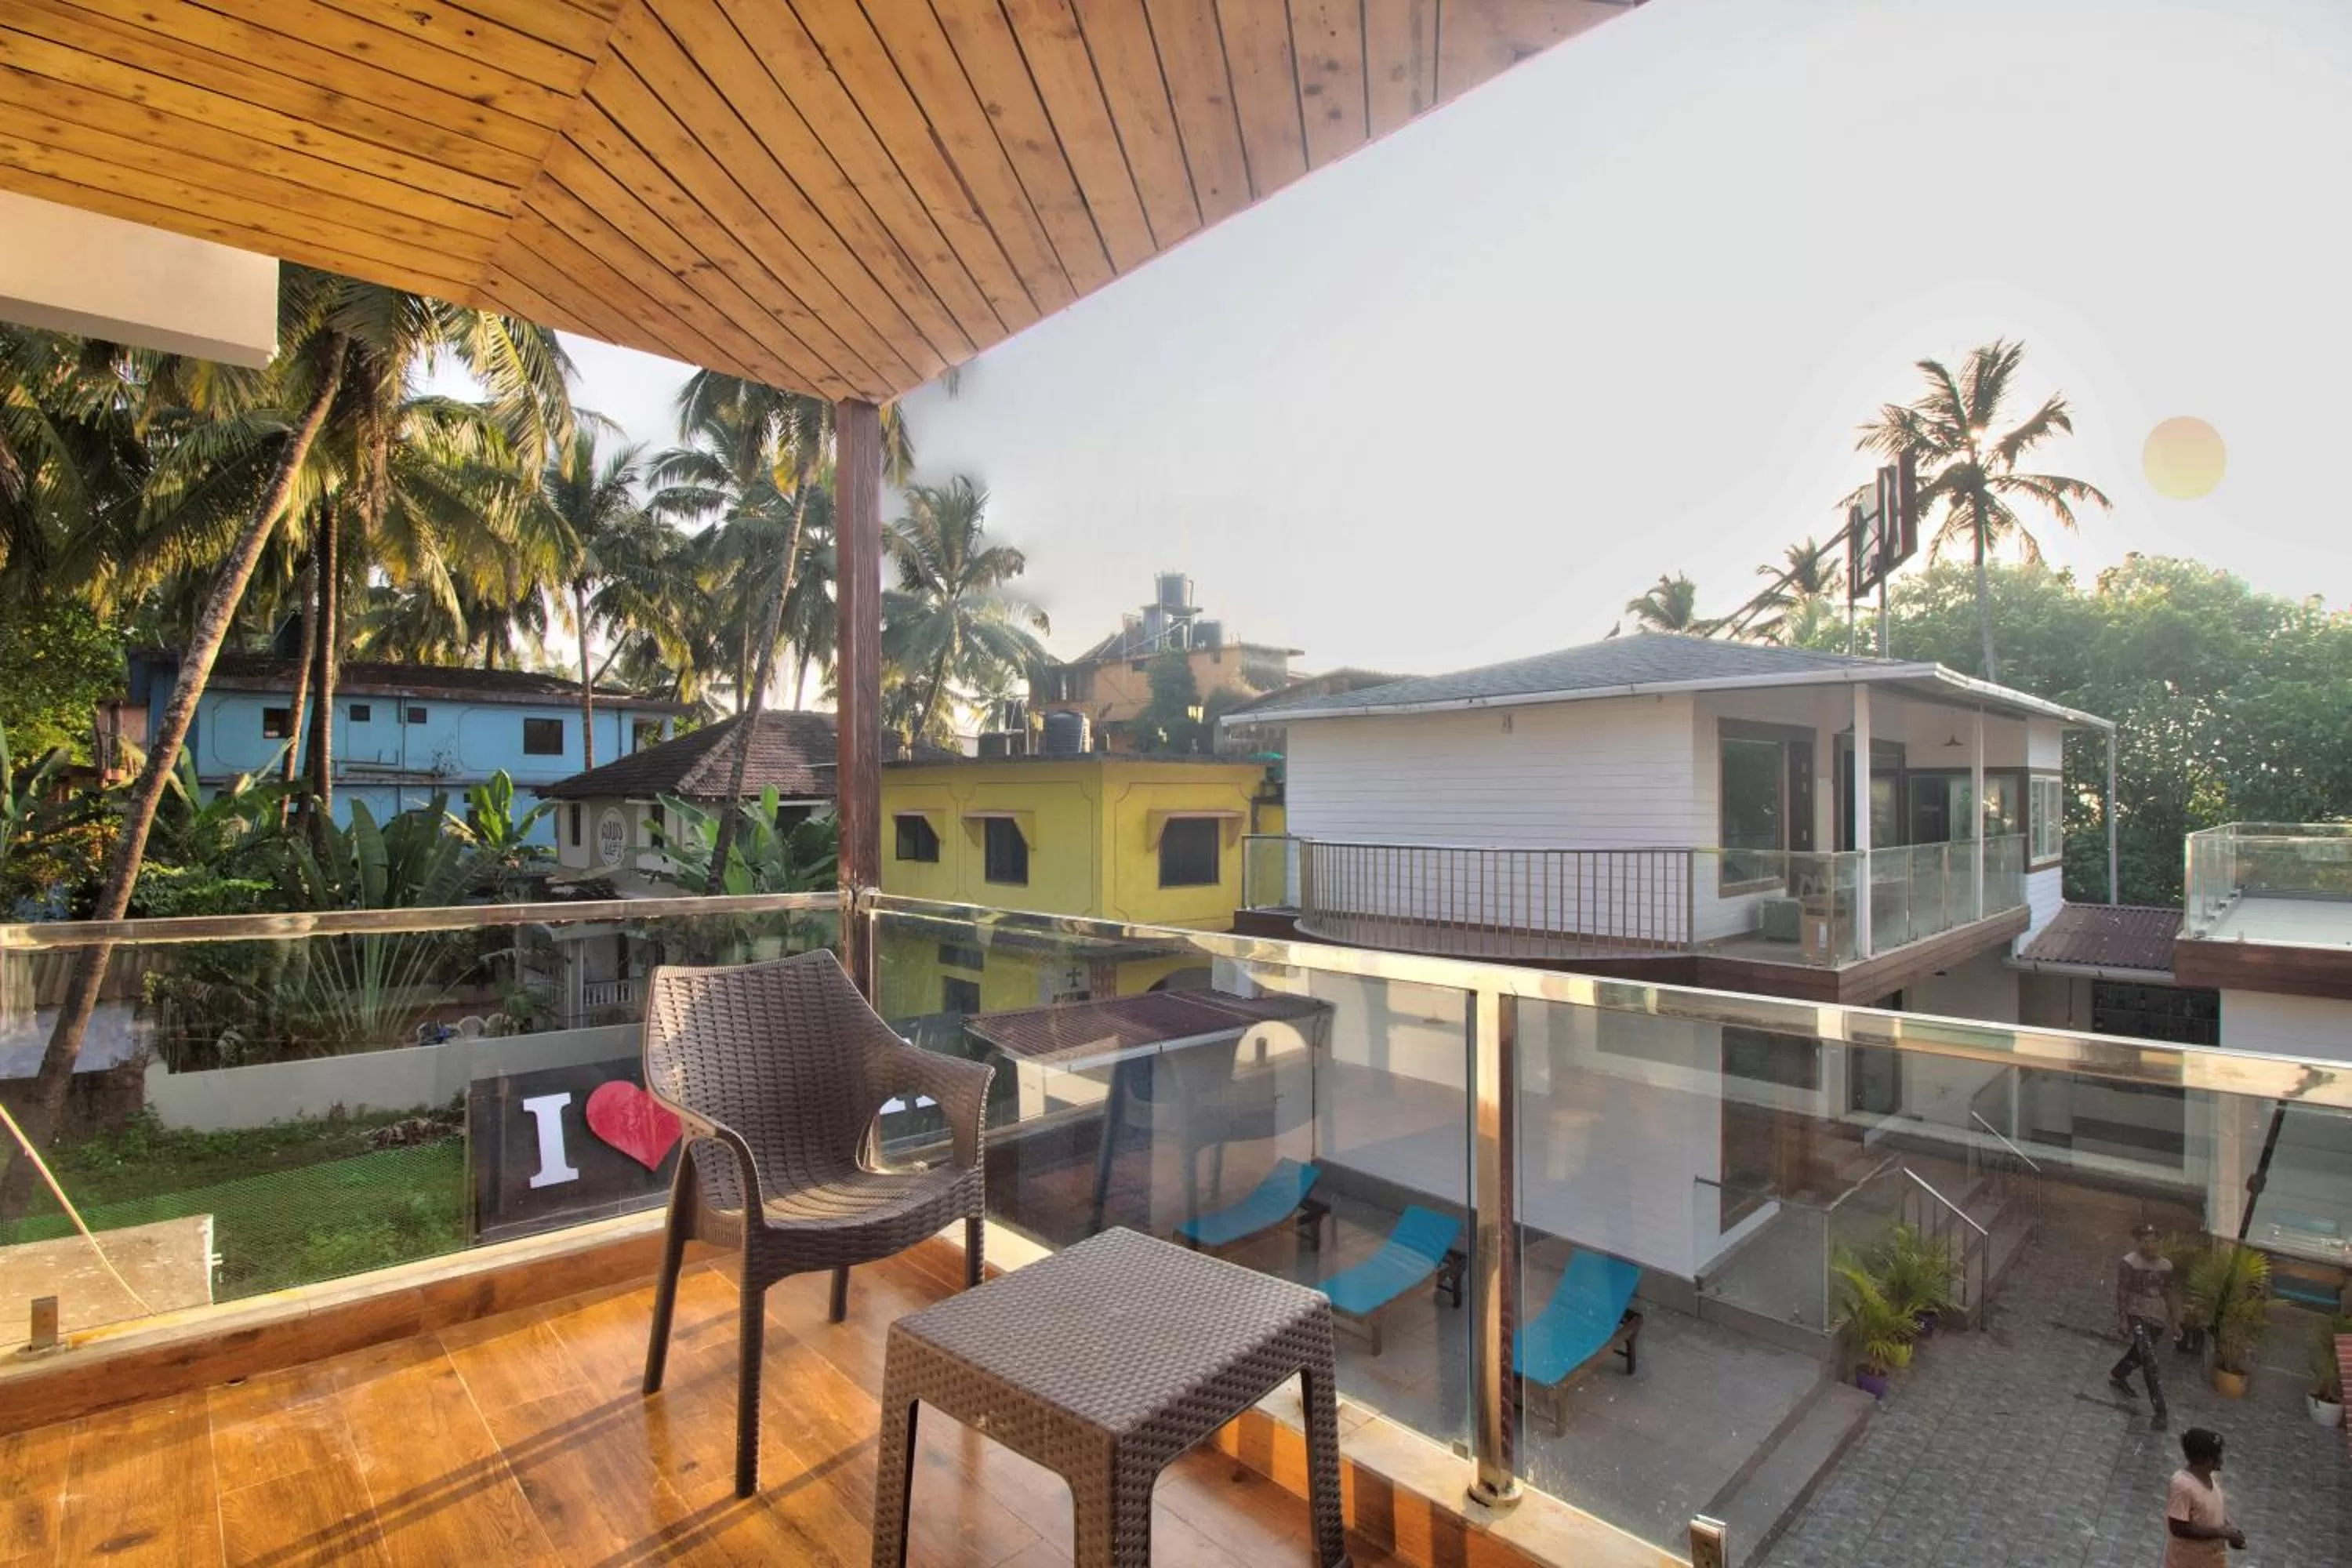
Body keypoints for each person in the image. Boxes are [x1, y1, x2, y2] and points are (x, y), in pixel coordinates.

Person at [2111, 1221, 2173, 1428]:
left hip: (2157, 1317)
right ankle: (2160, 1411)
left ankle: (2119, 1374)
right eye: (2145, 1241)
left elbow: (2169, 1294)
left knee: (2140, 1353)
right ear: (2139, 1242)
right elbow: (2122, 1291)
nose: (2150, 1246)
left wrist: (2177, 1322)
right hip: (2136, 1313)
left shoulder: (2166, 1266)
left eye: (2154, 1241)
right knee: (2150, 1360)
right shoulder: (2129, 1263)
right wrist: (2122, 1319)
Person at [2164, 1427, 2245, 1564]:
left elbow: (2210, 1512)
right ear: (2207, 1459)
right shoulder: (2182, 1485)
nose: (2222, 1459)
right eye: (2219, 1454)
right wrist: (2221, 1533)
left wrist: (2229, 1531)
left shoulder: (2210, 1477)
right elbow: (2178, 1528)